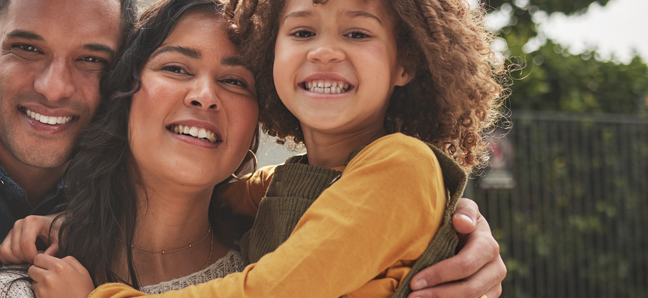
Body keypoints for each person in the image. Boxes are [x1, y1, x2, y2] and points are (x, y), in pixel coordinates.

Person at [0, 0, 502, 297]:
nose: (58, 87)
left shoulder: (281, 234)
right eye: (28, 49)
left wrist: (447, 230)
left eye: (91, 60)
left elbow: (346, 207)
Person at [67, 0, 506, 296]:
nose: (325, 52)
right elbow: (209, 195)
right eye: (302, 31)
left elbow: (271, 291)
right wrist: (65, 219)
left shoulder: (403, 165)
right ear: (270, 55)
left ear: (406, 62)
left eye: (357, 34)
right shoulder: (295, 180)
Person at [0, 2, 259, 296]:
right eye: (176, 68)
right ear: (122, 94)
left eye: (234, 81)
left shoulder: (280, 258)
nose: (205, 96)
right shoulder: (21, 289)